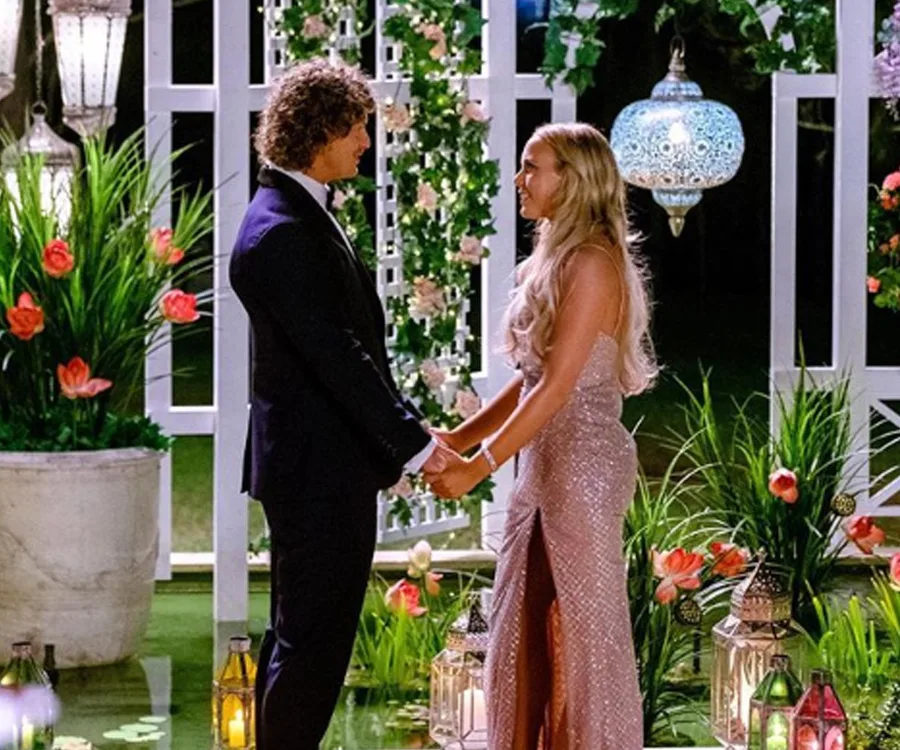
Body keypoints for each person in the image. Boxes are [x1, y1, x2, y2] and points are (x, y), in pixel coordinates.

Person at [229, 59, 461, 750]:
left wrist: (410, 427)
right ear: (319, 131)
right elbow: (336, 359)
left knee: (300, 638)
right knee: (313, 647)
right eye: (357, 127)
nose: (365, 141)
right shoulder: (282, 231)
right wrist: (417, 449)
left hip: (316, 466)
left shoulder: (294, 212)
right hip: (316, 472)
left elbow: (345, 353)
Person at [425, 122, 655, 749]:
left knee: (584, 636)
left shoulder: (593, 265)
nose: (521, 179)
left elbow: (556, 391)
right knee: (523, 629)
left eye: (534, 166)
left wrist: (478, 466)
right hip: (544, 465)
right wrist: (461, 435)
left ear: (573, 179)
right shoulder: (558, 257)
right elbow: (531, 377)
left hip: (582, 468)